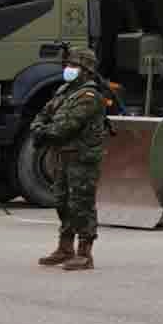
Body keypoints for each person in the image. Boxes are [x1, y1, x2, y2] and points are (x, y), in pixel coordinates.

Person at [31, 46, 114, 273]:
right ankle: (65, 248)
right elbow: (42, 115)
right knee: (62, 202)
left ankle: (84, 254)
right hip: (62, 156)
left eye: (74, 66)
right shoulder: (64, 91)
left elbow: (65, 127)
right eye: (68, 65)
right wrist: (39, 127)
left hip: (81, 159)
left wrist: (42, 131)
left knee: (81, 204)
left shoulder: (89, 96)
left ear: (86, 70)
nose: (69, 69)